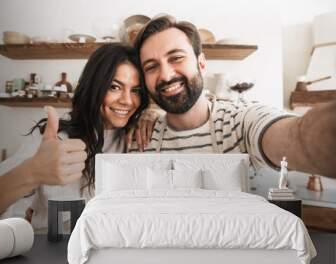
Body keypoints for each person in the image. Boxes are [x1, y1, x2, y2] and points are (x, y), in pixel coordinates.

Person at [0, 43, 150, 230]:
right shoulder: (55, 138)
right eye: (114, 87)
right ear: (94, 86)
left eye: (136, 90)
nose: (127, 101)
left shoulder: (138, 137)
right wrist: (33, 171)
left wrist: (152, 116)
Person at [130, 15, 336, 178]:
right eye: (152, 66)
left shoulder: (238, 122)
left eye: (176, 58)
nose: (165, 75)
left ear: (201, 63)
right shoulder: (140, 137)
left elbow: (296, 136)